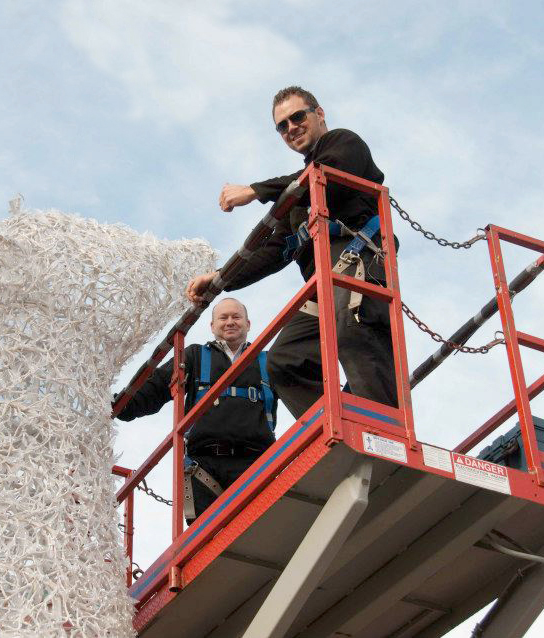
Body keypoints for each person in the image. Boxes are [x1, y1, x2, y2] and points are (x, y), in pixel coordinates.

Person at [187, 86, 398, 419]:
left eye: (297, 117)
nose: (291, 128)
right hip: (322, 286)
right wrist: (219, 279)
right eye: (281, 125)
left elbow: (321, 176)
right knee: (284, 361)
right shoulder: (296, 200)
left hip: (357, 262)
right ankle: (338, 425)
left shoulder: (344, 144)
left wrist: (255, 191)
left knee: (352, 331)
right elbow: (273, 250)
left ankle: (383, 428)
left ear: (319, 113)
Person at [115, 298, 277, 523]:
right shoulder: (194, 356)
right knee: (208, 544)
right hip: (205, 466)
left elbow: (303, 383)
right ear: (212, 326)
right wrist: (121, 405)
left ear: (248, 324)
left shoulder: (267, 361)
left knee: (260, 534)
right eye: (223, 317)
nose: (230, 322)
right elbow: (155, 387)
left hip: (257, 462)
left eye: (236, 317)